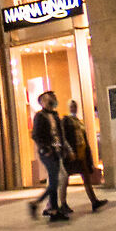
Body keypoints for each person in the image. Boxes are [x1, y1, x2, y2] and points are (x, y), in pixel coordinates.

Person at [30, 91, 71, 222]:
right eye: (48, 100)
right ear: (42, 102)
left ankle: (53, 210)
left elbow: (57, 135)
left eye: (52, 99)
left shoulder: (54, 115)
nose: (51, 101)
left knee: (55, 181)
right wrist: (45, 148)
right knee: (54, 181)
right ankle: (37, 204)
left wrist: (61, 147)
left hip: (56, 151)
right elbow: (36, 135)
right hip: (46, 153)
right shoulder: (39, 116)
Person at [61, 99, 107, 211]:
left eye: (75, 105)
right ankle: (63, 204)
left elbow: (84, 138)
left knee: (86, 178)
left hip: (81, 153)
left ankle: (94, 201)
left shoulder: (79, 121)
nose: (73, 107)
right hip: (72, 154)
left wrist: (88, 155)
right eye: (71, 106)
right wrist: (68, 151)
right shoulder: (66, 120)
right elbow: (63, 137)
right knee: (65, 179)